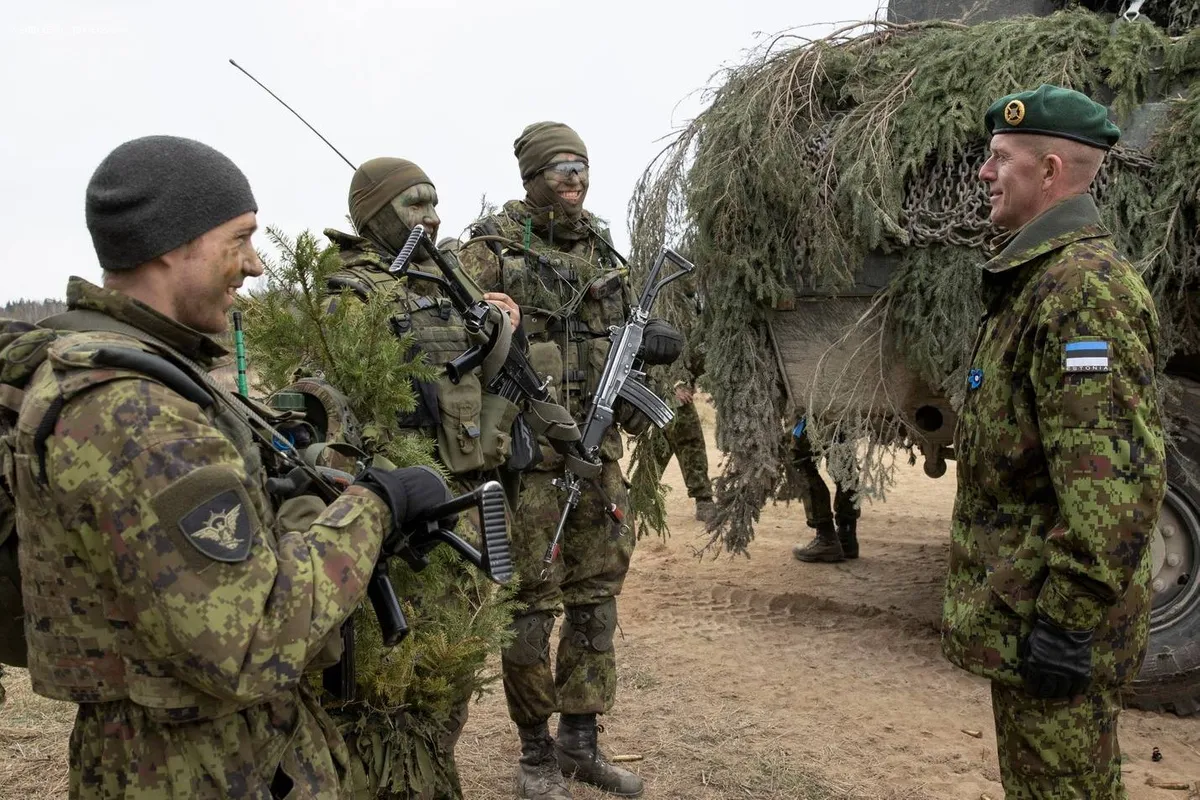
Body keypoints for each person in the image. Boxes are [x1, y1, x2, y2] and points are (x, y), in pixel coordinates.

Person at [6, 135, 450, 799]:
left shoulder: (145, 371)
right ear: (170, 243)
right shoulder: (137, 413)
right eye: (238, 239)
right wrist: (377, 507)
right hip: (191, 765)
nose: (256, 264)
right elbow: (251, 639)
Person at [941, 86, 1166, 799]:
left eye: (999, 159)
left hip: (1054, 621)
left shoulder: (1081, 292)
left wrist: (1066, 625)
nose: (984, 173)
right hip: (1026, 610)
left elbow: (1114, 483)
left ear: (1049, 173)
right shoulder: (1037, 279)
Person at [458, 122, 680, 800]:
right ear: (530, 177)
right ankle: (534, 755)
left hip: (598, 456)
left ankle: (581, 741)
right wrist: (482, 319)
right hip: (530, 463)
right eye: (559, 167)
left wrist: (647, 376)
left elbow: (626, 345)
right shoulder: (488, 253)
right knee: (530, 605)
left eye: (581, 165)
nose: (574, 178)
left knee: (595, 598)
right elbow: (453, 348)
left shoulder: (604, 256)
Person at [317, 155, 527, 798]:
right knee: (403, 665)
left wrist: (498, 329)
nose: (432, 217)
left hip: (464, 498)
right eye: (414, 205)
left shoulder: (446, 282)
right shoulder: (352, 295)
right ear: (376, 213)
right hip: (407, 512)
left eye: (435, 202)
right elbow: (353, 407)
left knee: (456, 657)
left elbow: (478, 381)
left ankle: (433, 770)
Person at [789, 417, 860, 562]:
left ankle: (826, 538)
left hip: (817, 405)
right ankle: (847, 536)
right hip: (844, 402)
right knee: (841, 457)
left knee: (798, 459)